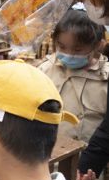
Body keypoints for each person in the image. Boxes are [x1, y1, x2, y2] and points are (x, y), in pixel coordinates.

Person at [38, 9, 108, 144]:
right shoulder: (45, 70)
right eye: (62, 46)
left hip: (85, 159)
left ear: (97, 46)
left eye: (77, 50)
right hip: (47, 156)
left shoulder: (104, 79)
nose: (68, 54)